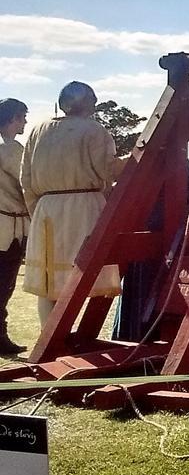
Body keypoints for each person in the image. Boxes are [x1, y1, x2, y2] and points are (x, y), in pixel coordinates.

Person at [21, 82, 124, 325]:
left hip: (46, 210)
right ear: (86, 102)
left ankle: (50, 337)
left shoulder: (38, 130)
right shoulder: (93, 130)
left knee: (50, 280)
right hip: (84, 207)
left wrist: (37, 210)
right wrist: (139, 159)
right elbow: (107, 169)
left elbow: (25, 177)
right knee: (80, 272)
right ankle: (57, 339)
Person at [0, 98, 30, 354]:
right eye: (22, 117)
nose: (25, 122)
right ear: (12, 119)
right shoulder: (9, 149)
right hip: (7, 227)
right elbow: (27, 183)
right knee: (3, 283)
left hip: (9, 222)